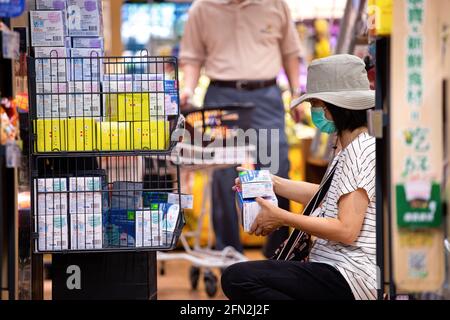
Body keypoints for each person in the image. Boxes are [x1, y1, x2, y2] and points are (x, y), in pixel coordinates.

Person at [221, 54, 377, 300]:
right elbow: (327, 195)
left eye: (315, 104)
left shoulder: (359, 151)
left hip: (349, 275)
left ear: (331, 108)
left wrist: (282, 217)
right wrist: (272, 182)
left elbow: (346, 229)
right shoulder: (351, 145)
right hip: (334, 265)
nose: (313, 111)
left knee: (238, 278)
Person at [179, 0, 304, 256]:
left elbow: (290, 52)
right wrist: (188, 90)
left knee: (277, 169)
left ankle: (277, 253)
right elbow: (192, 57)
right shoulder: (202, 8)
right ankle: (229, 254)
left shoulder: (274, 4)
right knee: (223, 177)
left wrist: (296, 93)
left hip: (266, 96)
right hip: (220, 99)